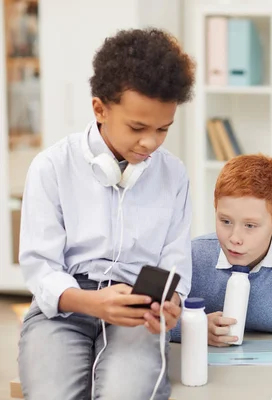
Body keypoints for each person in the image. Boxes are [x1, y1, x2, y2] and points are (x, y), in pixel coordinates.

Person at [18, 28, 195, 399]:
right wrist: (92, 303)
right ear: (100, 108)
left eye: (163, 129)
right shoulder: (51, 167)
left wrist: (171, 303)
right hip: (64, 308)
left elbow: (175, 261)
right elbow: (40, 267)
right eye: (137, 127)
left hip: (137, 310)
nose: (151, 142)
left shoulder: (174, 174)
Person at [171, 154, 272, 346]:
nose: (235, 238)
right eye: (226, 221)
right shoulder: (193, 255)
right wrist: (193, 329)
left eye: (250, 226)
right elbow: (156, 322)